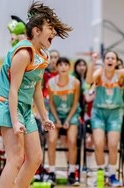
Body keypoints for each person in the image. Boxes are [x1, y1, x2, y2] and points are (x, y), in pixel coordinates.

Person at [0, 2, 72, 187]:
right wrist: (14, 121)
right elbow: (13, 90)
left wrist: (45, 117)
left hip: (25, 107)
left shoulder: (42, 55)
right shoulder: (23, 53)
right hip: (7, 104)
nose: (53, 33)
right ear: (36, 31)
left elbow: (36, 89)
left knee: (35, 158)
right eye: (49, 29)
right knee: (16, 157)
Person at [86, 43, 124, 187]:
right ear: (104, 61)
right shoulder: (99, 72)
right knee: (98, 144)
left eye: (113, 58)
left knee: (112, 144)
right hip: (98, 113)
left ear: (116, 62)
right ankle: (100, 176)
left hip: (115, 114)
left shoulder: (120, 75)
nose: (110, 60)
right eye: (107, 58)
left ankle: (111, 175)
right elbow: (88, 81)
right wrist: (92, 62)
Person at [47, 57, 80, 186]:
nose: (63, 67)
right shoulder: (50, 83)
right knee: (51, 140)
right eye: (60, 65)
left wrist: (67, 120)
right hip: (55, 114)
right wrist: (56, 119)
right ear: (57, 68)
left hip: (71, 114)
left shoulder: (75, 82)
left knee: (72, 141)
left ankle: (72, 173)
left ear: (69, 67)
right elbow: (51, 104)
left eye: (66, 64)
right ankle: (51, 172)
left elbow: (75, 103)